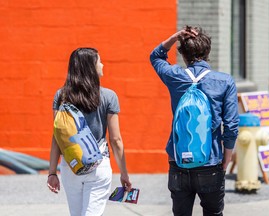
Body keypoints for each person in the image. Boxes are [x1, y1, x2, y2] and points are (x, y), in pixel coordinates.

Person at [150, 26, 239, 216]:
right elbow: (231, 125)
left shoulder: (174, 76)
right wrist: (227, 157)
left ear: (183, 54)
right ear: (208, 52)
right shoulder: (224, 81)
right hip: (211, 160)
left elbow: (156, 56)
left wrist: (175, 36)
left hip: (178, 160)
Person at [47, 47, 132, 216]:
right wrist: (124, 174)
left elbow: (58, 137)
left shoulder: (61, 96)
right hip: (98, 165)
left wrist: (52, 172)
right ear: (90, 67)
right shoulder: (109, 96)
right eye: (99, 61)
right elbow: (115, 140)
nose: (103, 65)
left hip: (71, 166)